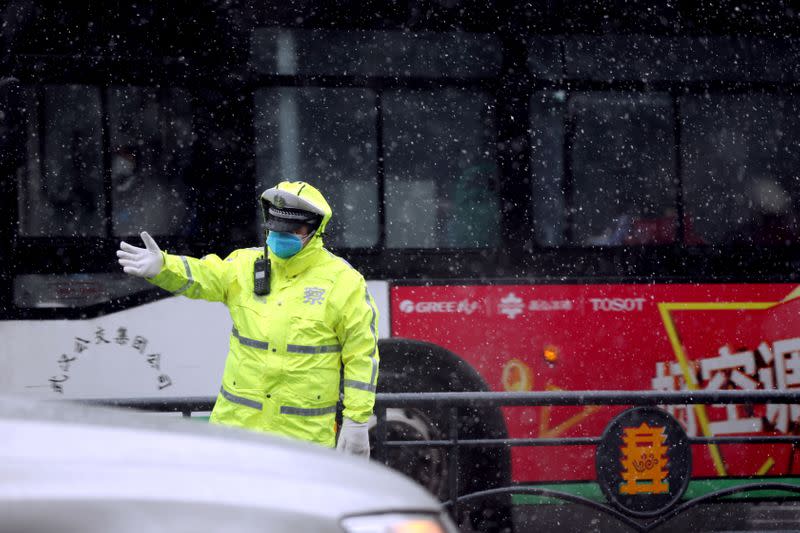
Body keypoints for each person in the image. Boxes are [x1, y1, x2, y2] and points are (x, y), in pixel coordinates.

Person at [116, 181, 379, 457]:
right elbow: (205, 275)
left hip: (303, 444)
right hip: (236, 437)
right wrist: (164, 267)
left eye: (292, 229)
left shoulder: (344, 283)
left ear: (315, 230)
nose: (280, 235)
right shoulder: (245, 265)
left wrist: (356, 421)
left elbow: (362, 357)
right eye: (275, 228)